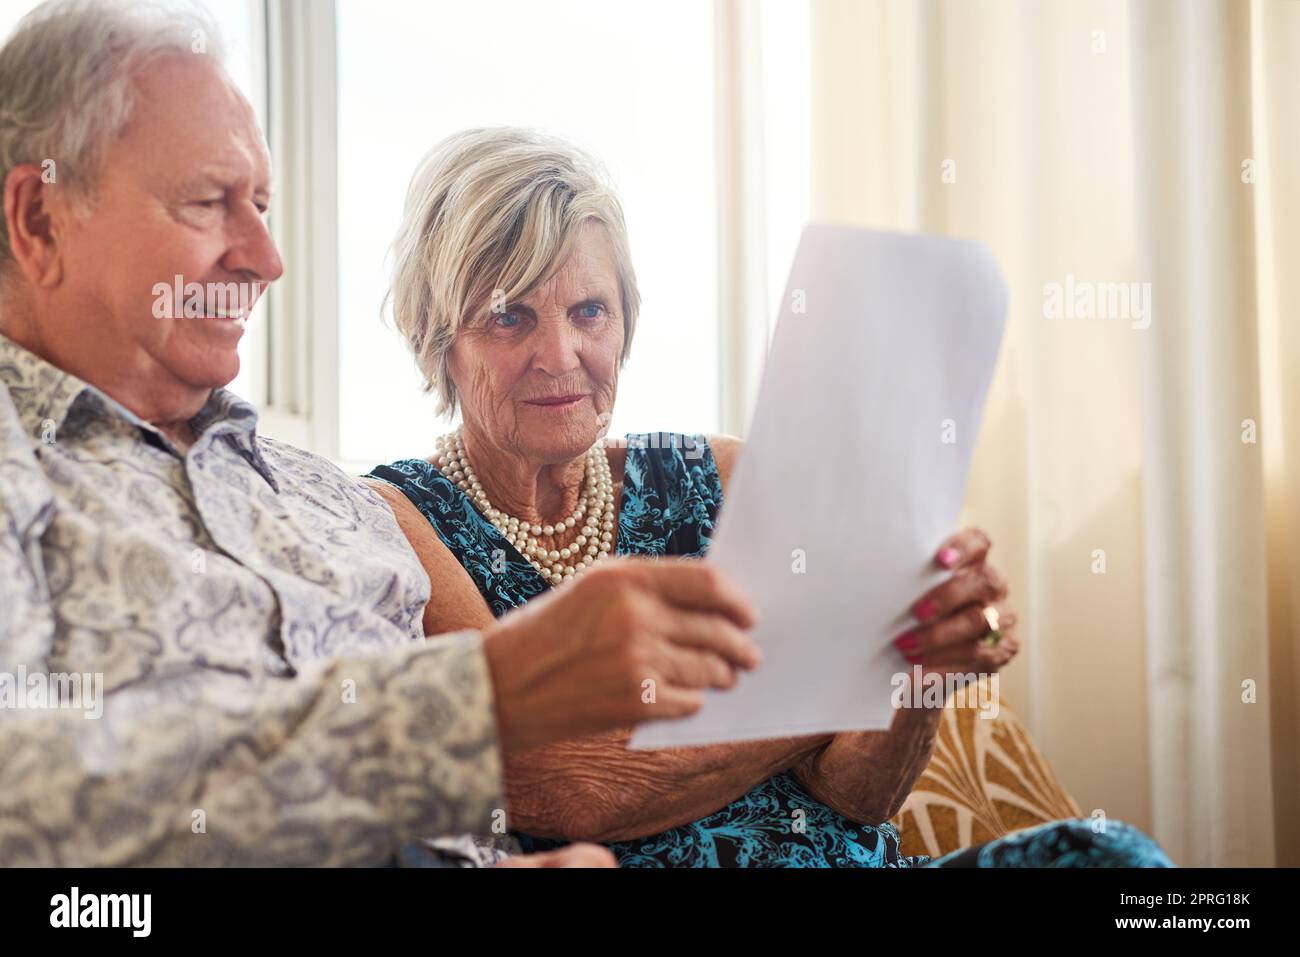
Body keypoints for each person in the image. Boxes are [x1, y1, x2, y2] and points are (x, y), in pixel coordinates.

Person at [0, 0, 761, 867]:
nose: (266, 257)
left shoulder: (332, 499)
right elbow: (26, 804)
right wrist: (485, 691)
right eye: (210, 202)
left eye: (262, 204)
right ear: (39, 219)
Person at [365, 127, 1174, 868]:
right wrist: (840, 675)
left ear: (625, 323)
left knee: (1122, 862)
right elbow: (560, 784)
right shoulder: (396, 519)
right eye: (509, 318)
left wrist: (918, 669)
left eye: (589, 311)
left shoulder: (724, 474)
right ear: (439, 339)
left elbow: (856, 796)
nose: (561, 353)